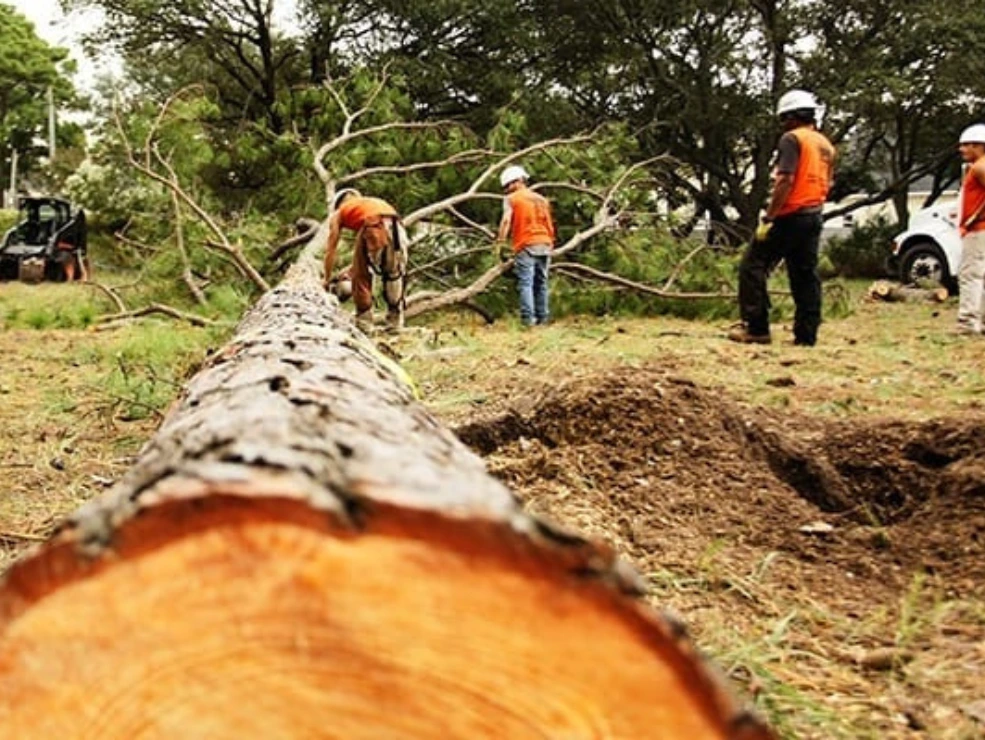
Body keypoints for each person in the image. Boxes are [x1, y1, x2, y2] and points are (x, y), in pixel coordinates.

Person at [730, 89, 836, 346]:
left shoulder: (792, 139)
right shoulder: (825, 145)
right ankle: (806, 335)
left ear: (791, 116)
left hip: (790, 214)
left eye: (783, 119)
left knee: (752, 265)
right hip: (814, 214)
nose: (782, 125)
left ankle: (756, 328)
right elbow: (829, 181)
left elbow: (785, 179)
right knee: (805, 275)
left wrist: (769, 217)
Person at [322, 189, 407, 331]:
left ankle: (364, 322)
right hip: (398, 226)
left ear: (338, 204)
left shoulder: (339, 213)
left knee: (360, 273)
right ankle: (395, 321)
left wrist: (326, 279)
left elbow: (331, 249)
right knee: (394, 274)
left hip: (374, 226)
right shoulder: (370, 202)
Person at [495, 165, 556, 327]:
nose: (507, 190)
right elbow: (549, 223)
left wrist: (500, 242)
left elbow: (506, 221)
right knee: (541, 283)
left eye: (508, 186)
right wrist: (550, 242)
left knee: (526, 283)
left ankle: (528, 321)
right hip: (545, 242)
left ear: (516, 182)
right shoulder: (541, 199)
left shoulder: (511, 199)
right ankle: (543, 319)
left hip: (526, 243)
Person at [954, 124, 985, 335]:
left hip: (978, 230)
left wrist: (976, 217)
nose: (961, 149)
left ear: (979, 145)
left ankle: (967, 323)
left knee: (970, 275)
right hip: (978, 229)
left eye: (966, 145)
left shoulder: (979, 168)